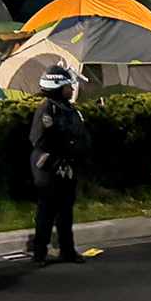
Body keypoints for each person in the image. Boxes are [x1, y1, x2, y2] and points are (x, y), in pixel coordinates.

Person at [29, 64, 91, 265]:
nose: (72, 89)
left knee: (66, 212)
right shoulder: (47, 110)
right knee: (46, 212)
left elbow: (80, 136)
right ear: (56, 86)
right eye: (68, 86)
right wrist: (58, 161)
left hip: (68, 167)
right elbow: (40, 140)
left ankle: (68, 250)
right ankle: (39, 253)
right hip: (49, 169)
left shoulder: (70, 109)